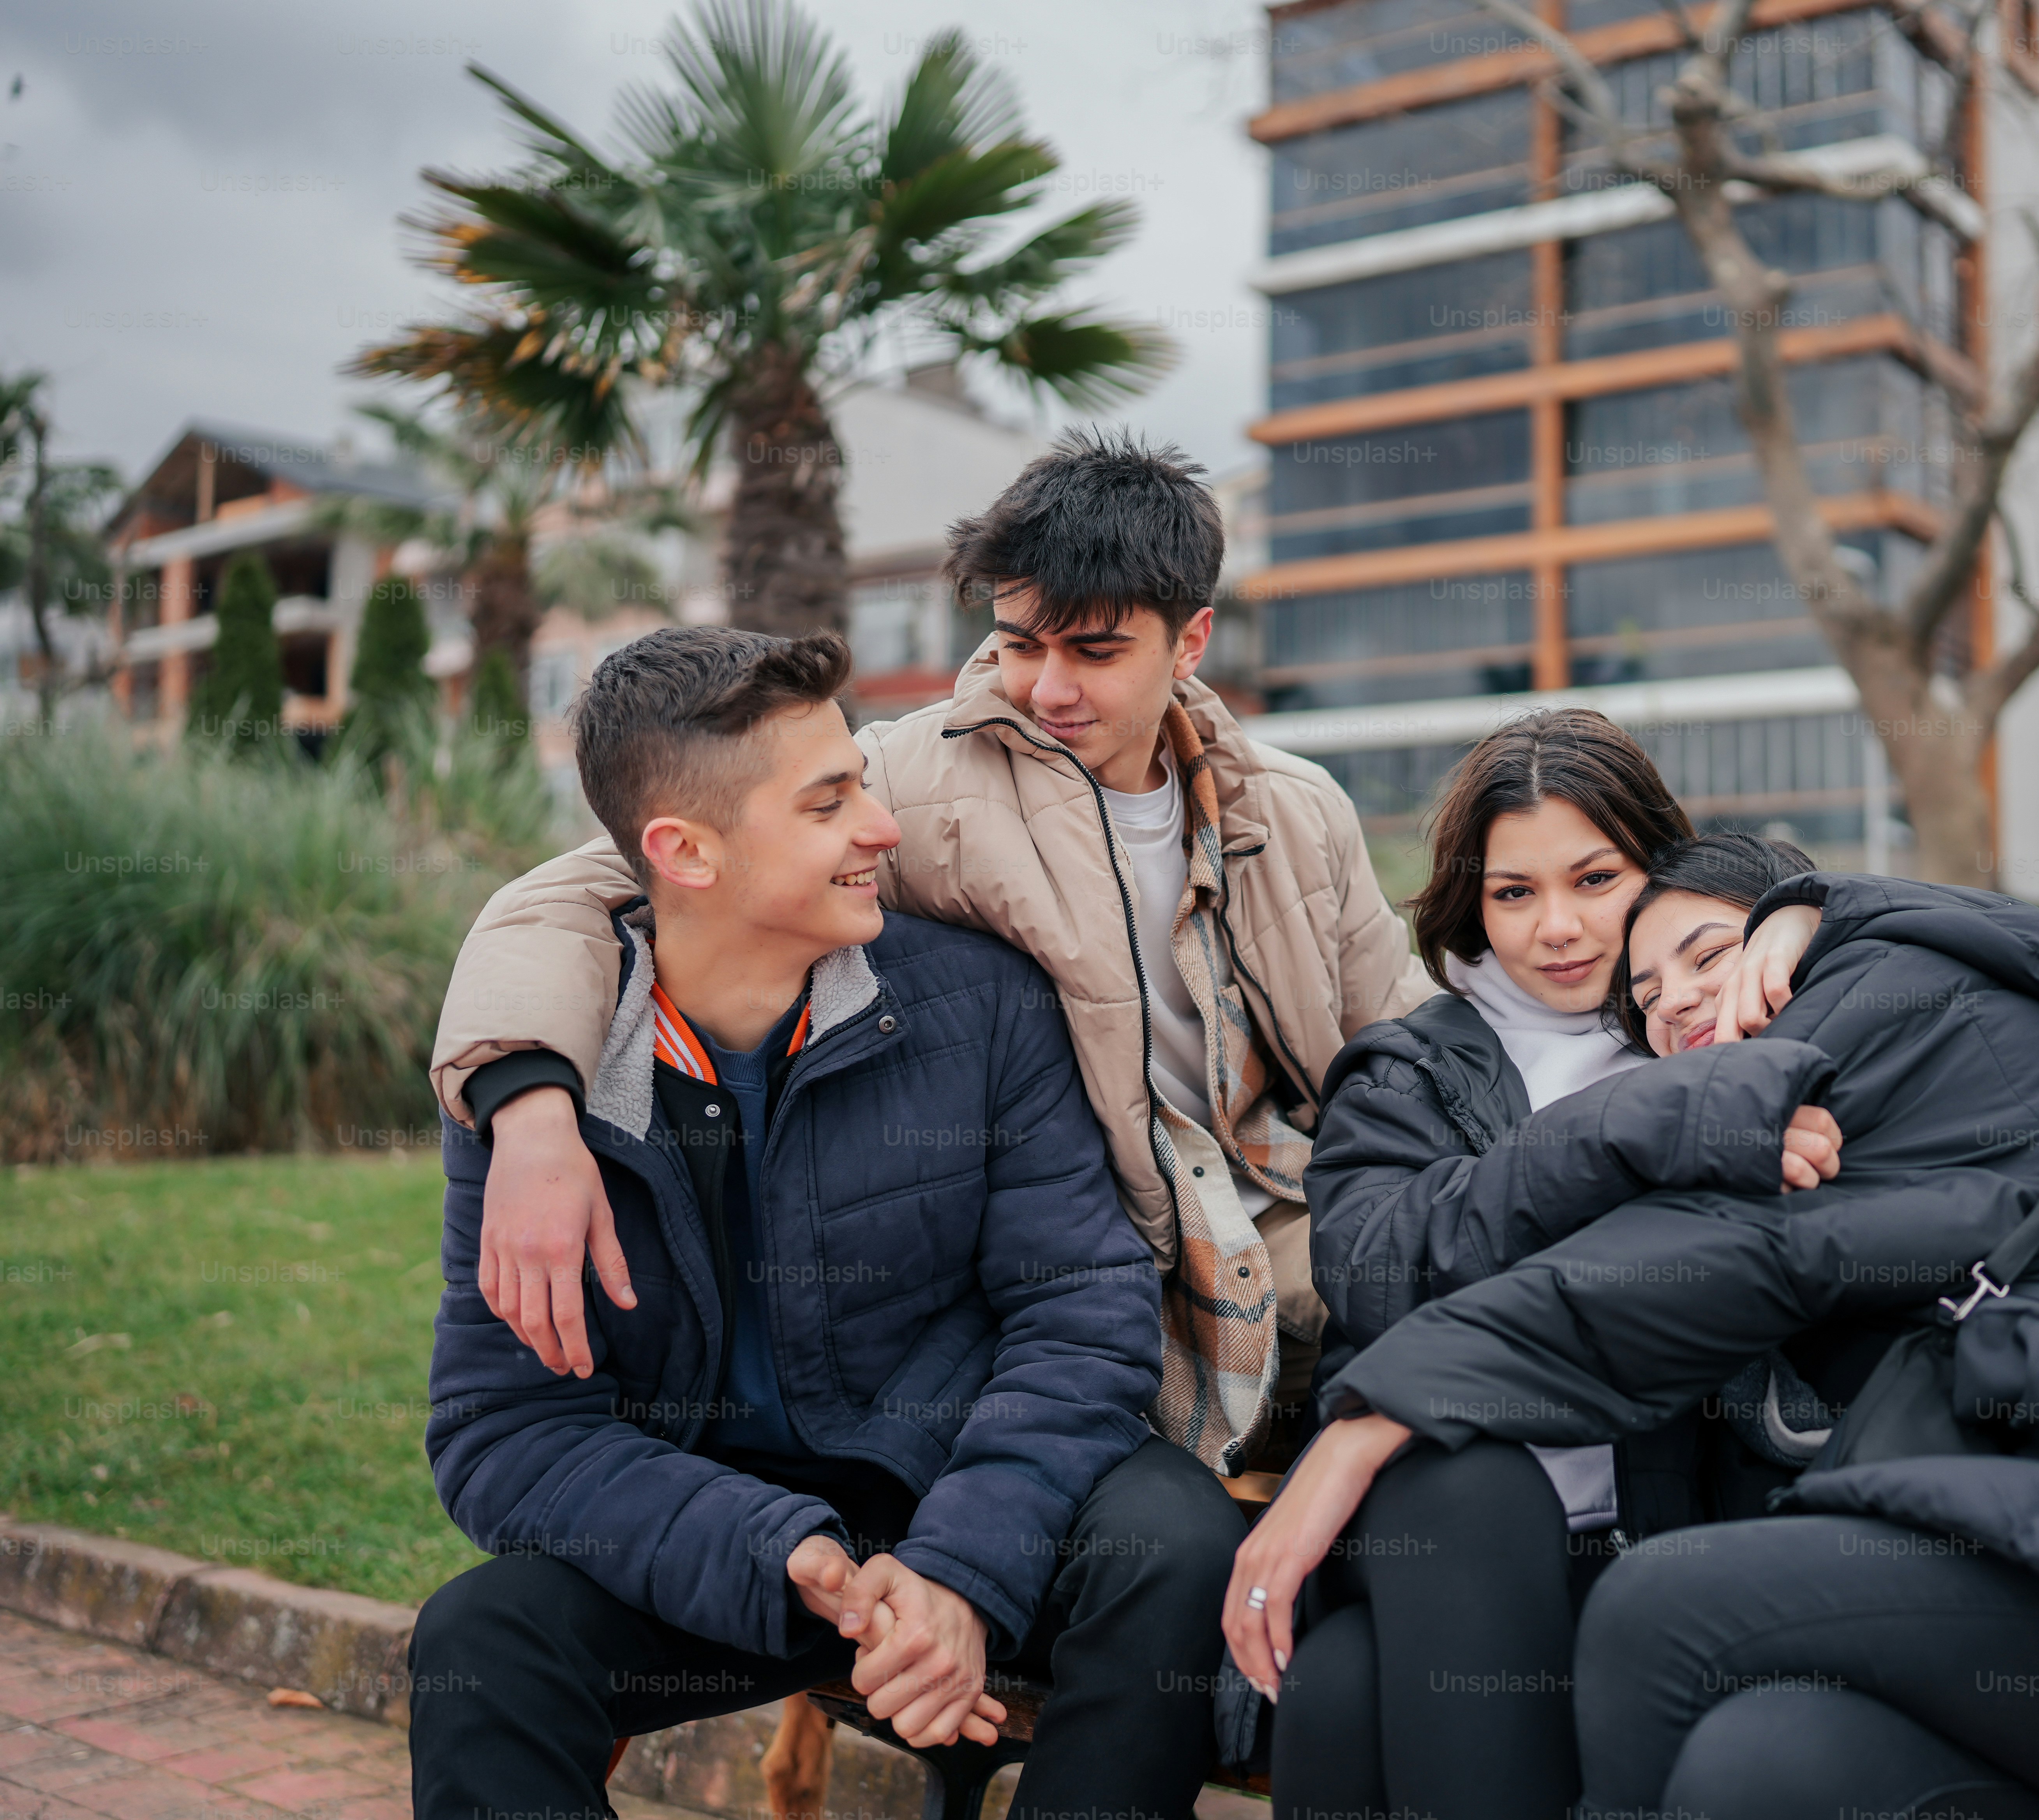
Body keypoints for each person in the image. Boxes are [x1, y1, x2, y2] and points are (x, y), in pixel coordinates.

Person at [1240, 871, 2039, 1820]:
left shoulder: (1896, 1019)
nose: (1674, 1001)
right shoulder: (1853, 1055)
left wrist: (1364, 1424)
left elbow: (1704, 1269)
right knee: (1762, 1764)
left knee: (1660, 1620)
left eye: (1706, 951)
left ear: (1798, 938)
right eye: (1648, 994)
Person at [428, 430, 1427, 1475]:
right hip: (1104, 1250)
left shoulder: (1297, 807)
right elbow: (580, 891)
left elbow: (1396, 1048)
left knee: (1472, 1345)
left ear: (1192, 642)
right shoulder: (907, 780)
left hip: (1293, 1218)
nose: (1047, 689)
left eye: (1095, 652)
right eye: (1018, 642)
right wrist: (534, 1111)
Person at [410, 626, 1245, 1820]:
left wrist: (958, 1574)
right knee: (481, 1643)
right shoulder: (536, 1095)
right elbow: (506, 1431)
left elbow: (1081, 1317)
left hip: (963, 1482)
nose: (881, 828)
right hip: (732, 1544)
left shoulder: (984, 1007)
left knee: (1166, 1541)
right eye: (829, 804)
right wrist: (784, 1554)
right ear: (684, 853)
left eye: (864, 781)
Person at [1268, 816, 1836, 1820]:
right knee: (1467, 1489)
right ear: (1472, 906)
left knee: (1342, 1696)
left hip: (1671, 1518)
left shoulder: (1713, 1019)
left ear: (1657, 868)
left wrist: (1795, 919)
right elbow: (1379, 1280)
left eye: (1595, 878)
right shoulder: (1407, 1067)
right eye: (1514, 892)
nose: (1560, 928)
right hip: (1443, 1522)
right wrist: (1625, 1131)